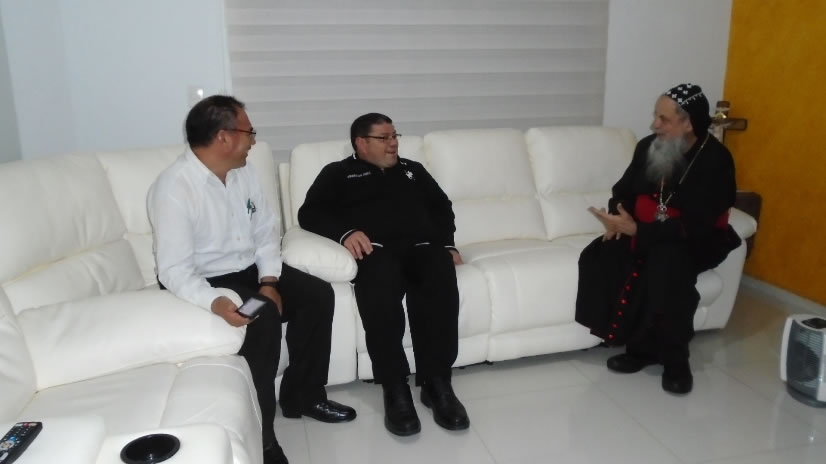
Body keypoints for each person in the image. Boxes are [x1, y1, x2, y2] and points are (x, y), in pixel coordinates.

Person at [147, 95, 355, 464]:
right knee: (263, 319)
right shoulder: (174, 187)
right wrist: (214, 301)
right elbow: (173, 270)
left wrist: (269, 281)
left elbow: (265, 234)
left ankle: (303, 395)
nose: (254, 141)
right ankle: (262, 438)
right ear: (223, 137)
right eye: (249, 132)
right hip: (204, 279)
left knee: (317, 294)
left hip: (248, 268)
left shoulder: (244, 173)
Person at [297, 113, 469, 436]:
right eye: (384, 138)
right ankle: (395, 387)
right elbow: (310, 213)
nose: (393, 143)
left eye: (394, 136)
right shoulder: (338, 173)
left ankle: (437, 383)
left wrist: (447, 243)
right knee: (379, 287)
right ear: (361, 143)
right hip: (377, 252)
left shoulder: (412, 170)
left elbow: (441, 206)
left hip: (422, 248)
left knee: (439, 272)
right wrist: (345, 233)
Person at [575, 83, 741, 395]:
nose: (654, 125)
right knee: (602, 254)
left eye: (664, 119)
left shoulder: (715, 160)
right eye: (656, 116)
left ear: (688, 123)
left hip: (697, 239)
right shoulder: (649, 147)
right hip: (648, 230)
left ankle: (676, 360)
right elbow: (623, 191)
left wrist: (640, 232)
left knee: (666, 263)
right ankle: (639, 348)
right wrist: (618, 217)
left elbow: (699, 224)